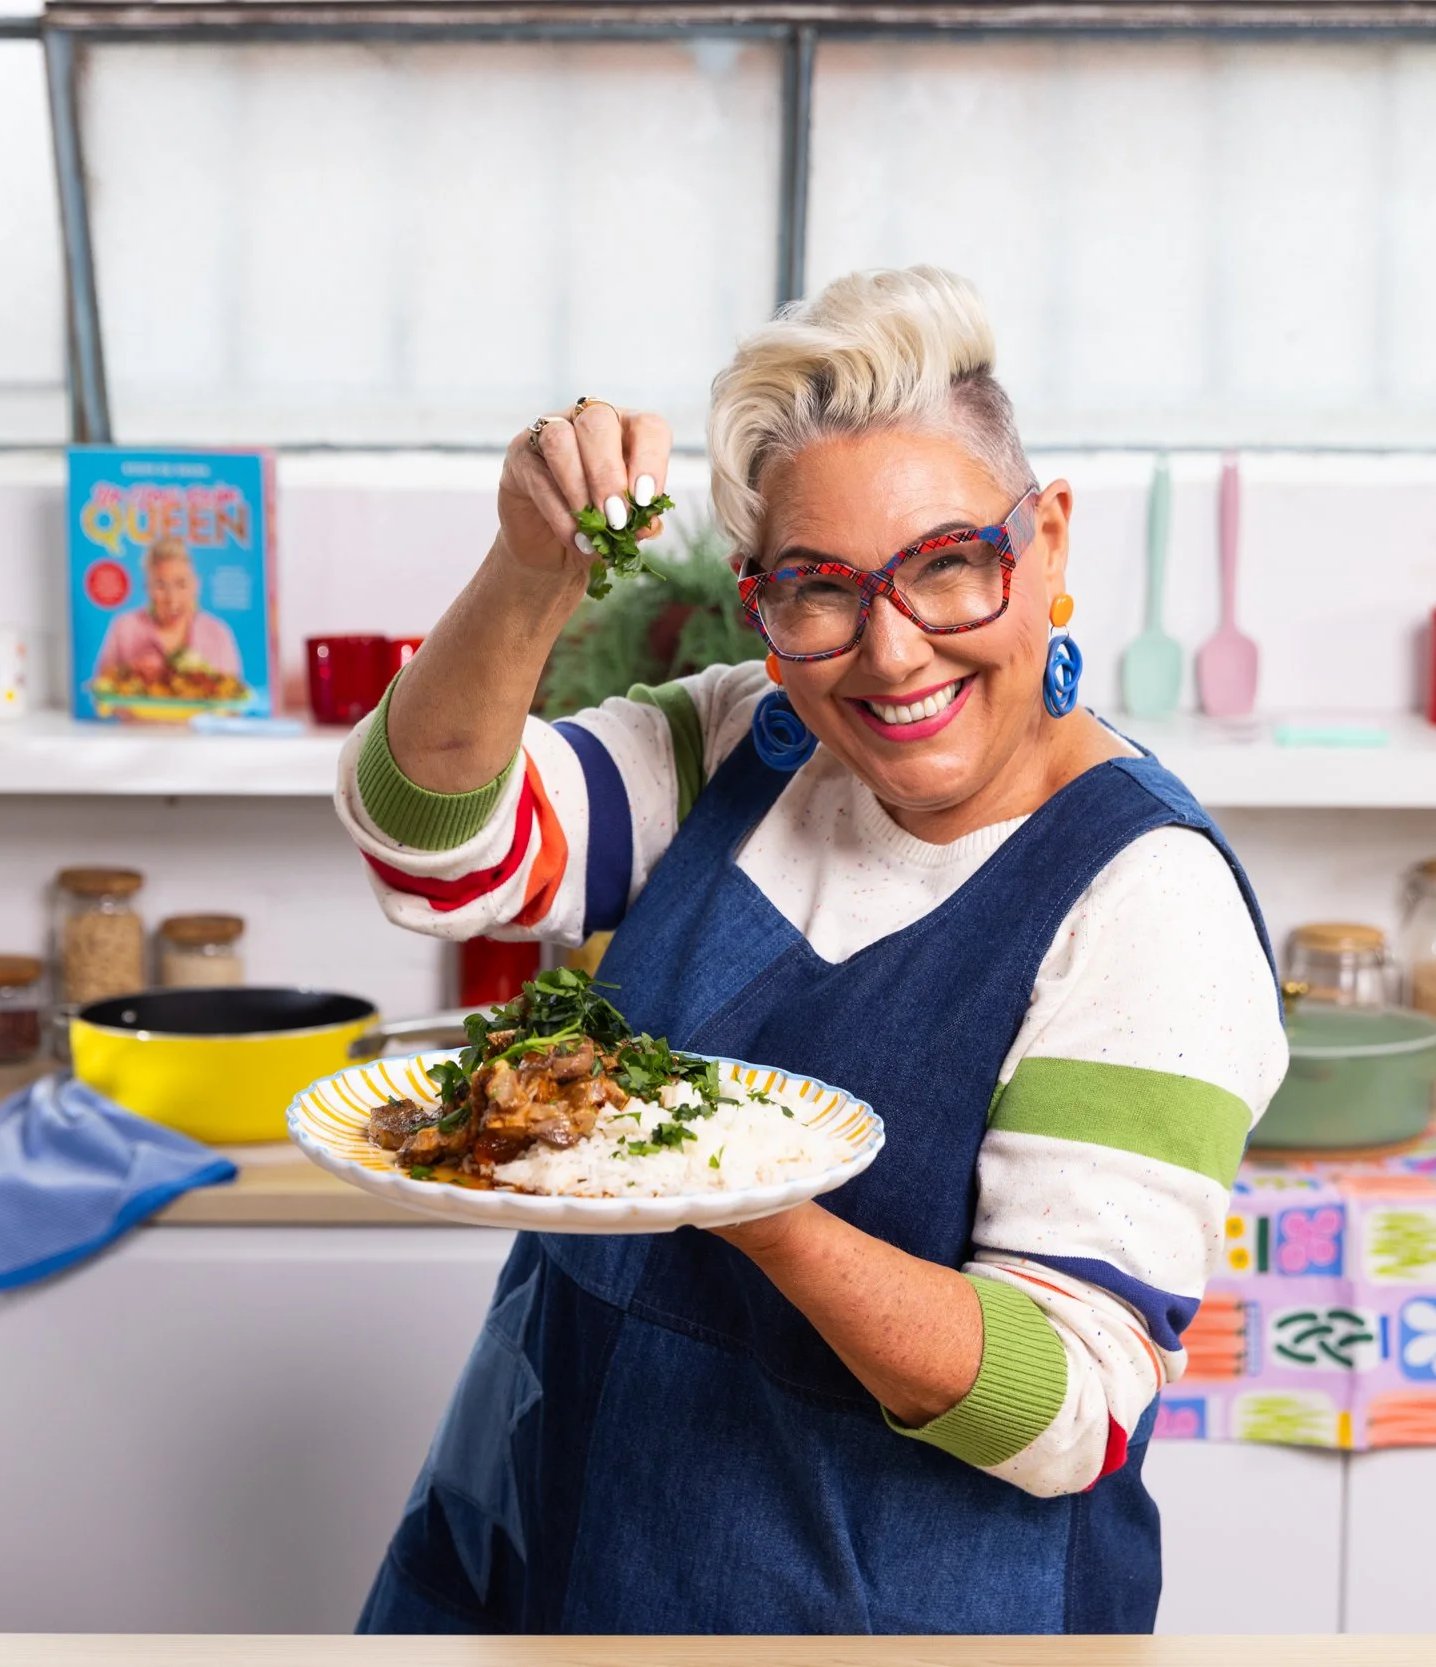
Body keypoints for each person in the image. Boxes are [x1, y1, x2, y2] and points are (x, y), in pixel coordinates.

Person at [334, 267, 1287, 1635]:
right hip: (547, 1551)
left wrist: (747, 1196)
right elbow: (434, 845)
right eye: (818, 590)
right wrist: (532, 568)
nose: (892, 652)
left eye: (949, 562)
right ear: (760, 604)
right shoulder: (748, 745)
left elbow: (1066, 1405)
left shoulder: (1144, 898)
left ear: (1048, 540)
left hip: (884, 1623)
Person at [95, 535, 243, 681]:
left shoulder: (218, 634)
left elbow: (231, 691)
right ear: (147, 588)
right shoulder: (124, 628)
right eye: (160, 585)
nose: (172, 599)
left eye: (181, 584)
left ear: (196, 585)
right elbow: (102, 688)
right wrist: (130, 672)